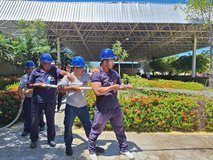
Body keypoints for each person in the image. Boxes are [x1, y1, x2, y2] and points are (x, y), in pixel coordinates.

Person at [88, 48, 134, 160]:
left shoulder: (115, 74)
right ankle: (92, 151)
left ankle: (124, 149)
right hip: (102, 109)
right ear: (105, 61)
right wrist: (113, 87)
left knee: (120, 129)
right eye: (112, 60)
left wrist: (125, 87)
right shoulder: (97, 74)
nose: (113, 62)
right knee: (96, 130)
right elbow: (98, 91)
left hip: (115, 108)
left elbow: (120, 85)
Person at [57, 56, 104, 156]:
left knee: (89, 127)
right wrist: (72, 87)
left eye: (84, 68)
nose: (84, 69)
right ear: (76, 68)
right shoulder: (68, 77)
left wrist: (97, 70)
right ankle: (68, 147)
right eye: (82, 67)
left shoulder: (86, 75)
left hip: (83, 107)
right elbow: (59, 88)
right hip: (71, 107)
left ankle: (93, 146)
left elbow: (95, 76)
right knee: (68, 127)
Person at [27, 53, 74, 148]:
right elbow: (29, 84)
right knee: (34, 121)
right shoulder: (35, 72)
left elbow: (61, 73)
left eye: (50, 63)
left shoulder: (53, 70)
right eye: (47, 63)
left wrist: (68, 73)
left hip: (50, 101)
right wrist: (38, 85)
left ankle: (51, 139)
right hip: (37, 101)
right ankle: (34, 140)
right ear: (42, 63)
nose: (49, 65)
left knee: (50, 121)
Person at [18, 60, 45, 137]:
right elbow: (20, 87)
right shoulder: (24, 77)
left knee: (38, 113)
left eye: (30, 68)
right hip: (28, 98)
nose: (29, 70)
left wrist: (31, 90)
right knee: (27, 114)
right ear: (25, 69)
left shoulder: (38, 76)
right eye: (27, 69)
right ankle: (26, 129)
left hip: (37, 98)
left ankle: (41, 124)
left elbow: (41, 86)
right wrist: (20, 94)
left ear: (34, 68)